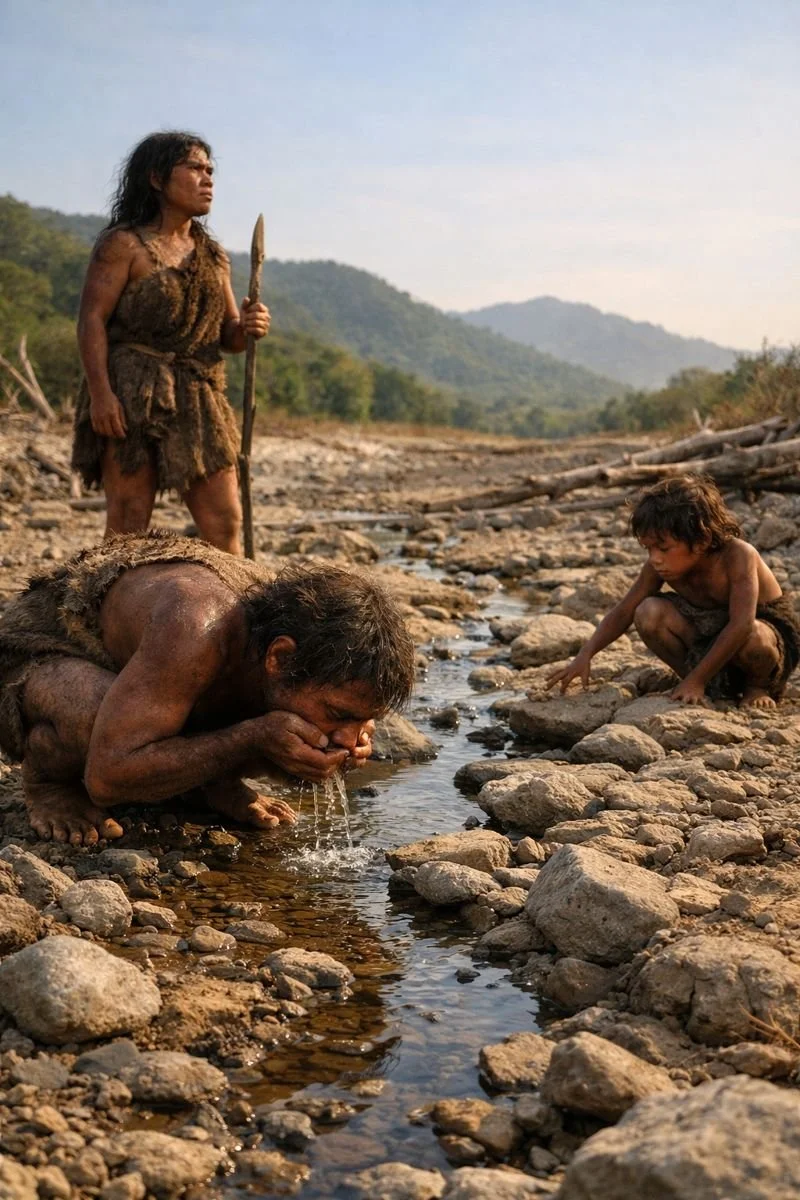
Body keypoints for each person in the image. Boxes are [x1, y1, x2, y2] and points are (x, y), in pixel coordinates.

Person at [0, 532, 416, 846]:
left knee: (276, 718)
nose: (351, 738)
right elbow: (108, 777)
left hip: (147, 676)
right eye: (341, 713)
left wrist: (343, 741)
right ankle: (49, 781)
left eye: (365, 721)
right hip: (34, 655)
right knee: (94, 714)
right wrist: (250, 738)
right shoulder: (198, 623)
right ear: (280, 659)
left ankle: (209, 785)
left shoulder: (285, 642)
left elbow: (242, 704)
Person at [72, 130, 268, 554]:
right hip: (132, 392)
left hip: (200, 398)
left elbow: (228, 336)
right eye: (195, 168)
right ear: (158, 179)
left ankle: (236, 612)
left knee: (224, 519)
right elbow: (91, 320)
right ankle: (111, 614)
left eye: (211, 170)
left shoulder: (214, 257)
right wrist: (100, 394)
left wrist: (249, 325)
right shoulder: (124, 244)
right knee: (128, 520)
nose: (208, 178)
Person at [548, 474, 800, 709]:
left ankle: (755, 688)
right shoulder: (659, 565)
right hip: (708, 638)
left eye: (663, 548)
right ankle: (704, 682)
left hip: (764, 647)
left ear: (701, 541)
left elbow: (741, 625)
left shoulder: (737, 556)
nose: (655, 559)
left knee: (753, 634)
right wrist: (585, 654)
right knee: (648, 612)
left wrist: (698, 680)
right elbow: (624, 610)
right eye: (648, 549)